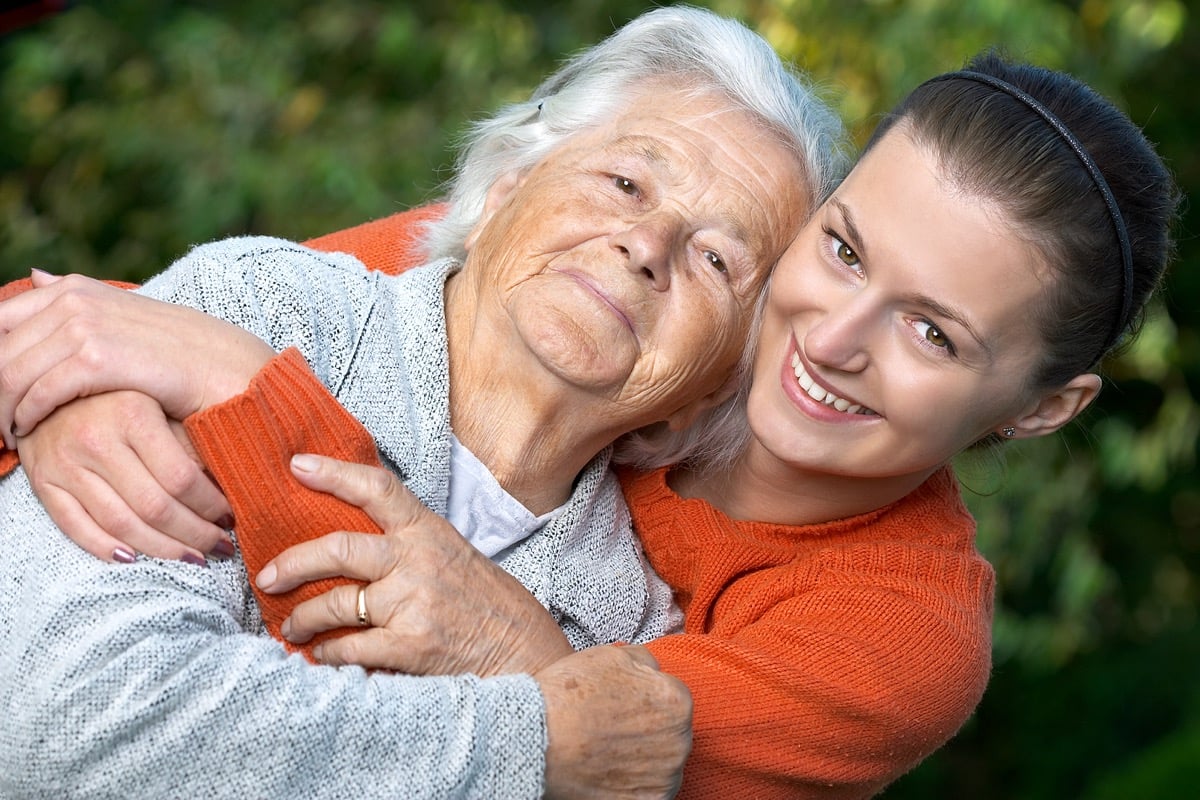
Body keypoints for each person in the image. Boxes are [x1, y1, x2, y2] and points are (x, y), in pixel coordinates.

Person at [0, 44, 1178, 800]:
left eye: (935, 333)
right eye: (843, 248)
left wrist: (242, 391)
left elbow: (614, 749)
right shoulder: (573, 265)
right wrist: (62, 387)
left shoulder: (888, 631)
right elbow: (217, 314)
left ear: (1036, 410)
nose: (830, 336)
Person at [0, 7, 851, 799]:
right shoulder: (266, 310)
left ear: (711, 391)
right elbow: (68, 714)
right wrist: (536, 746)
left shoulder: (629, 623)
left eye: (716, 260)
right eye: (627, 182)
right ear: (501, 192)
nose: (647, 245)